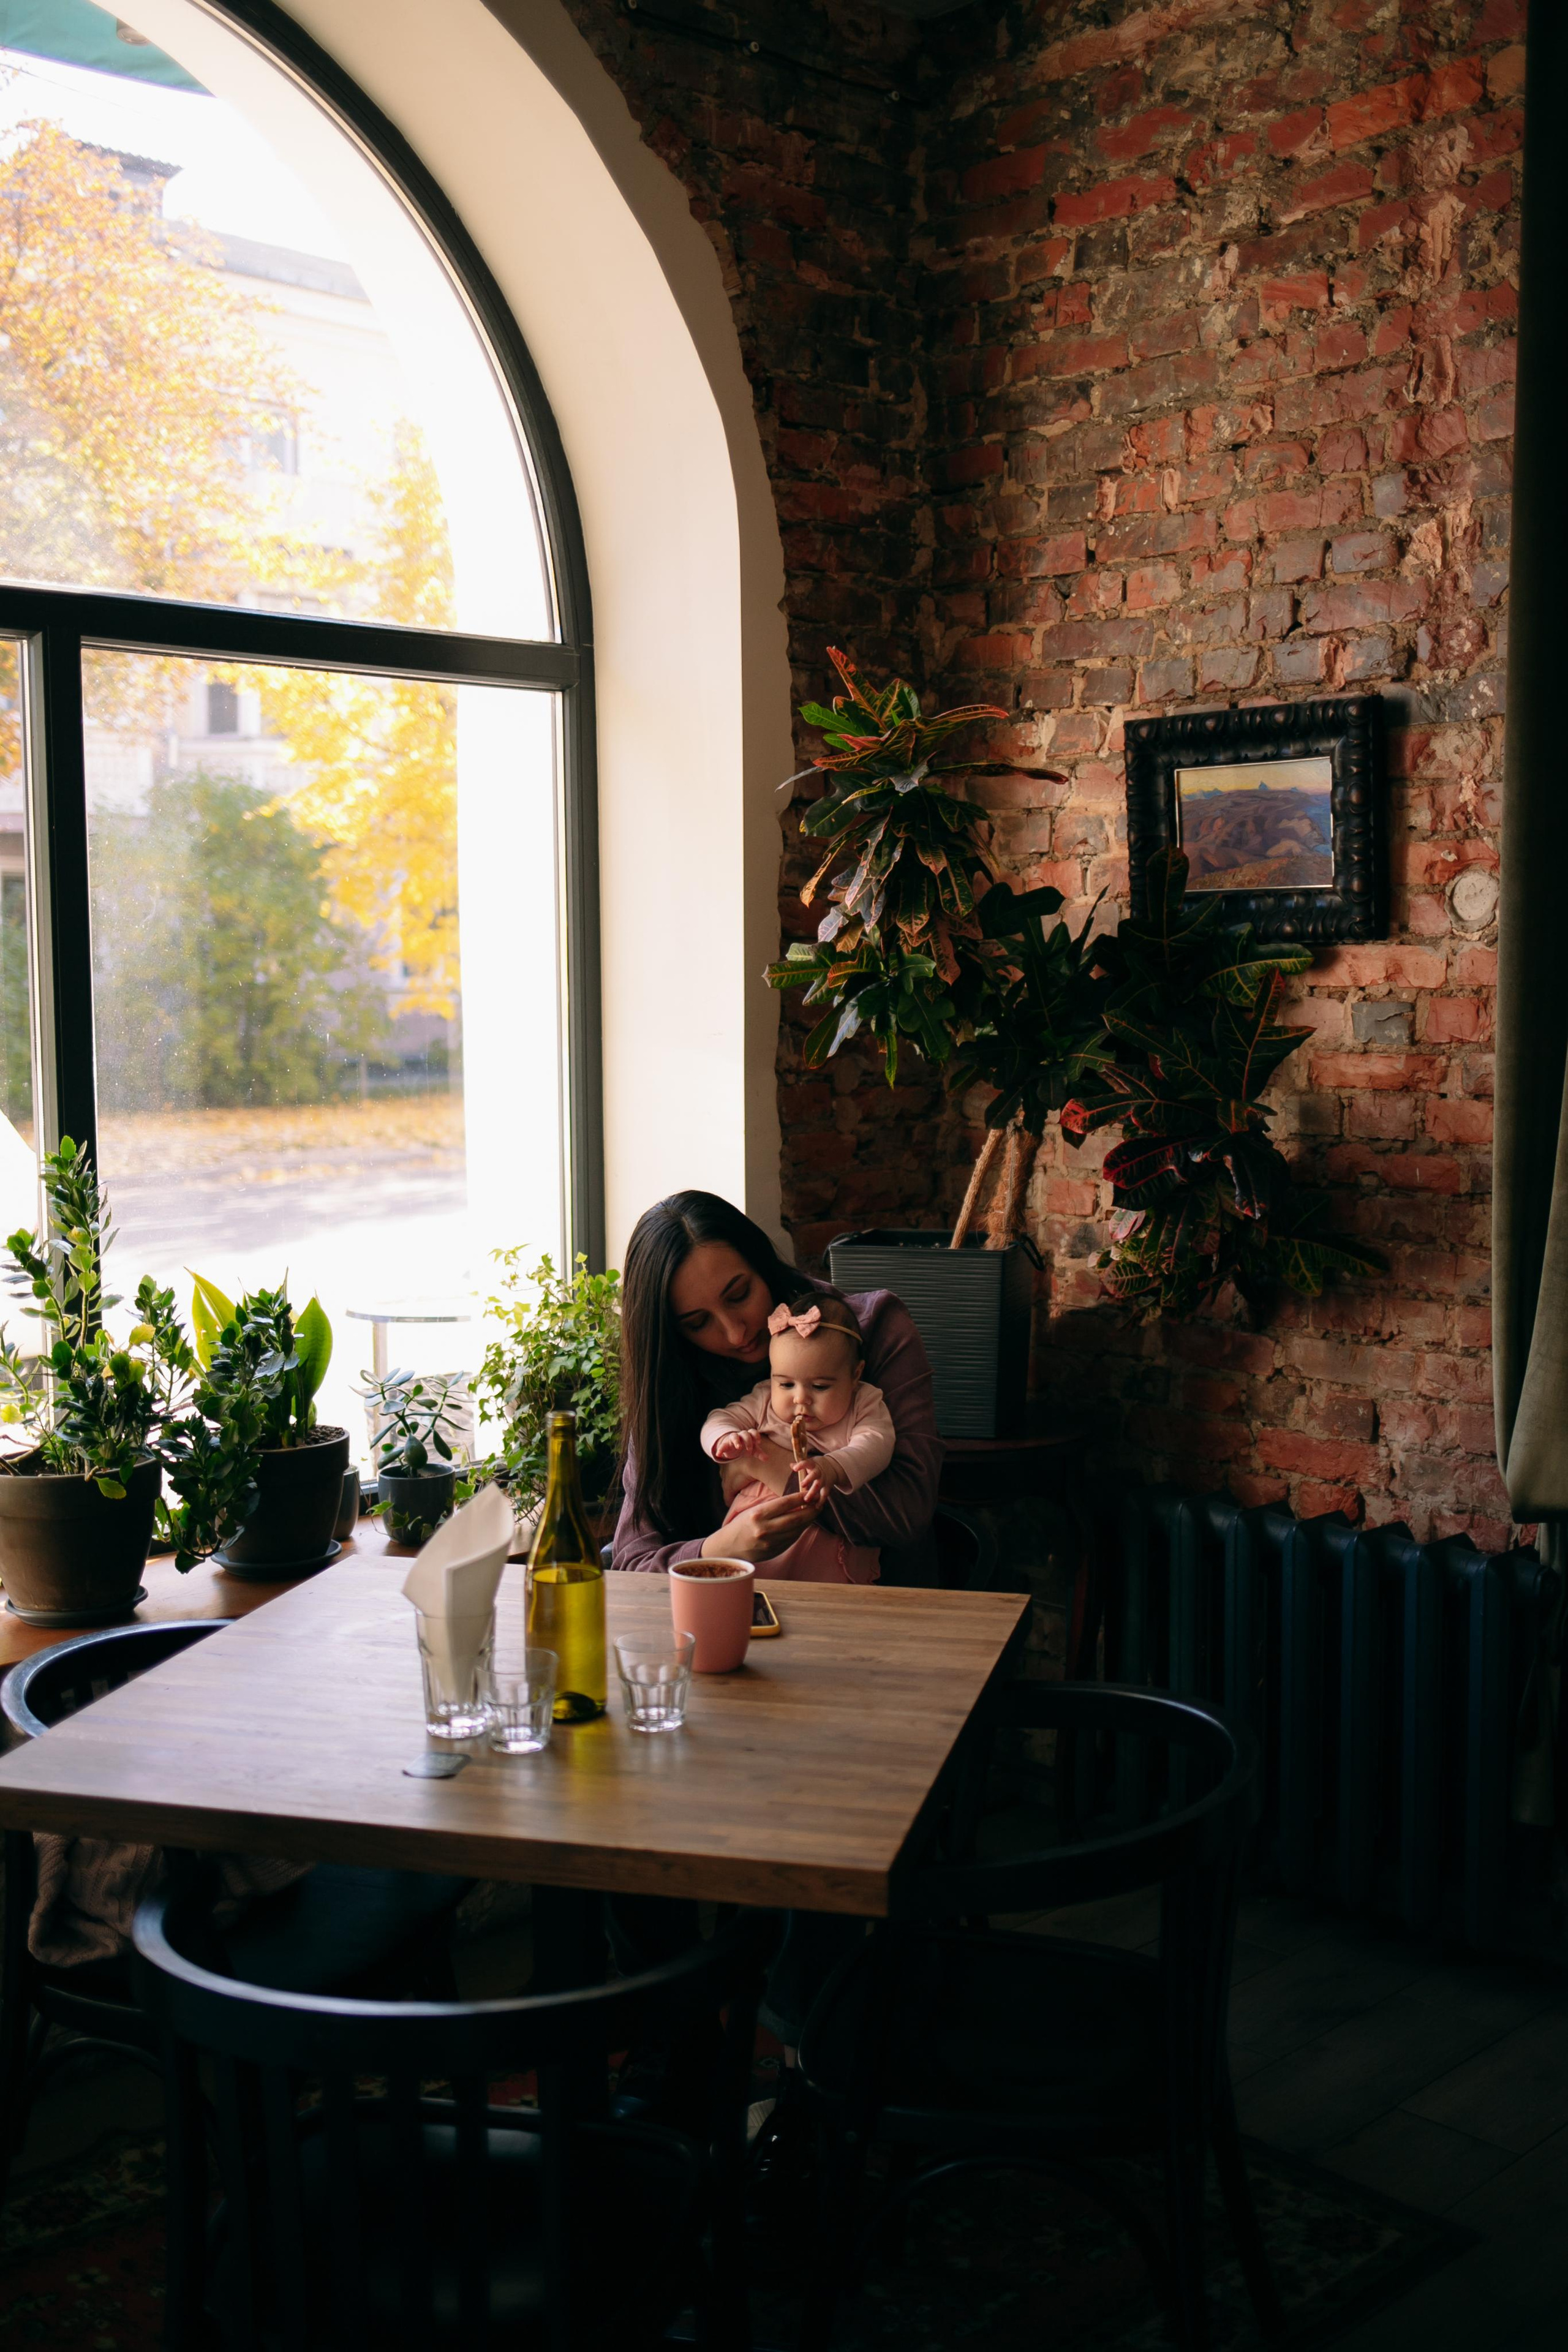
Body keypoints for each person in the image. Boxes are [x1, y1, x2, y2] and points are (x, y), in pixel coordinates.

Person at [613, 1189, 942, 1588]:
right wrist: (719, 1551)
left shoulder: (875, 1331)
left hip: (874, 1610)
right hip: (728, 1610)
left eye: (739, 1295)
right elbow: (631, 1563)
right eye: (698, 1323)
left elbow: (905, 1514)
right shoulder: (670, 1381)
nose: (735, 1334)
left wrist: (764, 1463)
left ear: (763, 1264)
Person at [700, 1294, 895, 1582]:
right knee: (751, 1590)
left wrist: (834, 1467)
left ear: (855, 1375)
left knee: (827, 1598)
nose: (800, 1398)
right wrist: (727, 1438)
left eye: (820, 1386)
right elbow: (718, 1419)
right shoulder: (765, 1399)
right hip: (758, 1526)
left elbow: (877, 1443)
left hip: (831, 1537)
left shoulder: (863, 1402)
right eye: (786, 1384)